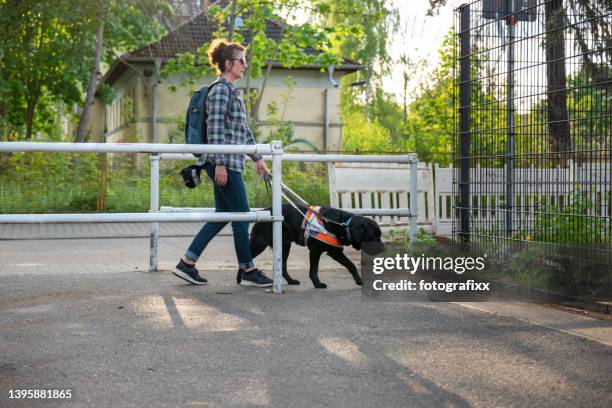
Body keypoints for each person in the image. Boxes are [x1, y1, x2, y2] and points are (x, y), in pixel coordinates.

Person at [173, 39, 273, 288]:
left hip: (230, 162)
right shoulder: (220, 91)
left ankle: (187, 263)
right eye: (242, 61)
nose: (245, 65)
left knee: (222, 216)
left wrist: (257, 158)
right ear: (228, 63)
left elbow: (242, 130)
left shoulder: (232, 92)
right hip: (224, 163)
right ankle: (248, 269)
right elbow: (215, 129)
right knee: (241, 216)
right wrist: (218, 163)